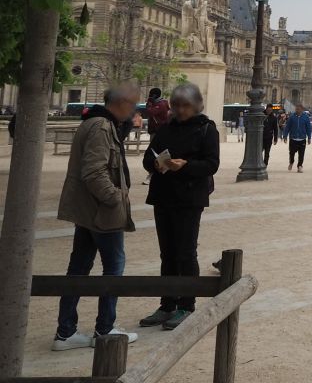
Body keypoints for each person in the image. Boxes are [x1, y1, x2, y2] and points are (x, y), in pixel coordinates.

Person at [52, 84, 141, 351]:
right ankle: (105, 329)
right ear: (123, 103)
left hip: (88, 211)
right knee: (114, 267)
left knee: (78, 268)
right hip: (102, 212)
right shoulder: (102, 127)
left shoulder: (95, 122)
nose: (135, 109)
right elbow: (94, 173)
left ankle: (65, 332)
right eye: (134, 104)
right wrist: (116, 198)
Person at [138, 83, 219, 331]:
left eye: (186, 106)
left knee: (186, 252)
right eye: (177, 105)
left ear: (196, 106)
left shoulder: (207, 129)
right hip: (163, 195)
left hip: (189, 197)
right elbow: (147, 158)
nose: (181, 110)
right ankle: (167, 304)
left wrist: (185, 165)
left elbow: (211, 165)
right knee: (167, 253)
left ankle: (186, 304)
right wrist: (157, 164)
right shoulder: (166, 128)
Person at [282, 103, 312, 172]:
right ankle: (291, 162)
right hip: (293, 138)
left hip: (302, 138)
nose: (297, 110)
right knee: (291, 153)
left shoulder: (306, 117)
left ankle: (300, 166)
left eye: (298, 109)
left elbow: (308, 128)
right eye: (296, 109)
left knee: (301, 154)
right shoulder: (292, 117)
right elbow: (287, 127)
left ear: (302, 109)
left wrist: (309, 137)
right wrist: (285, 136)